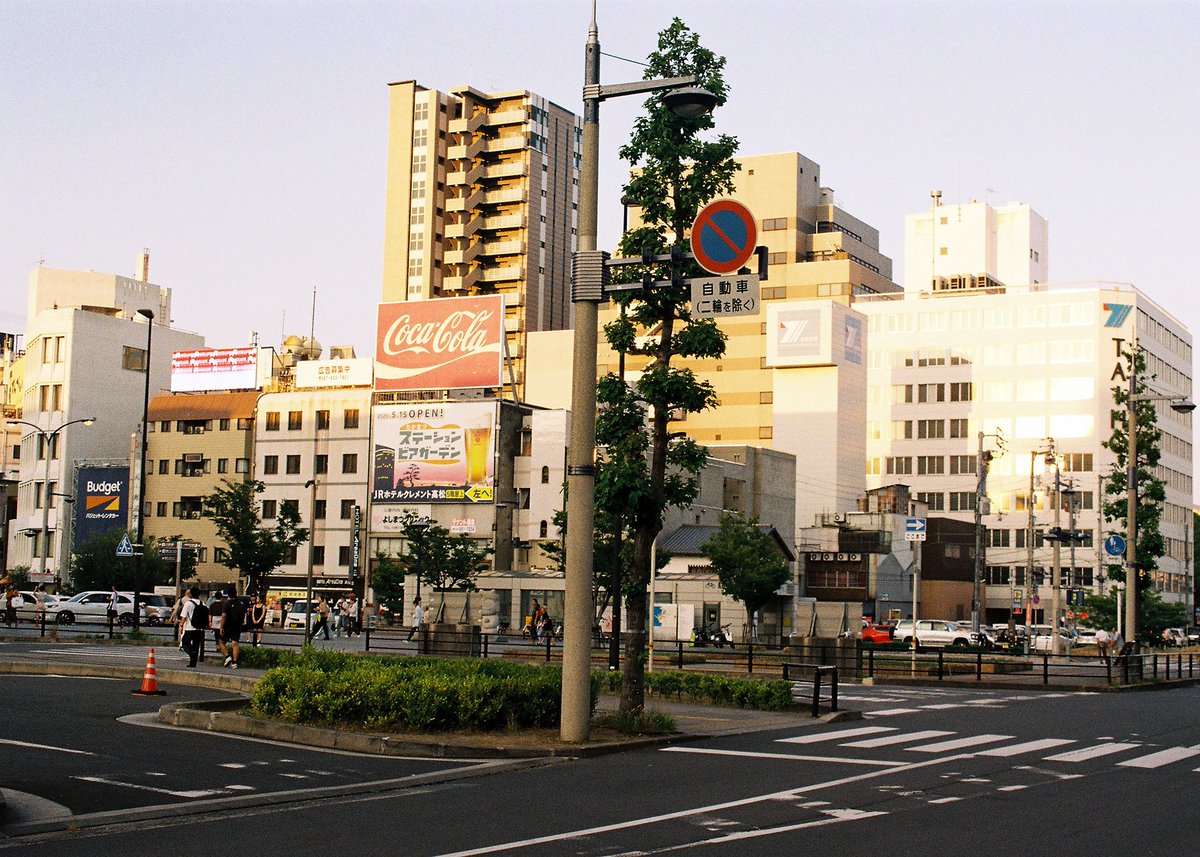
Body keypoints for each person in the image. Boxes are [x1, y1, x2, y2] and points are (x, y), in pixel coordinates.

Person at [180, 587, 209, 668]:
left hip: (190, 627)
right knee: (196, 645)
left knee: (185, 642)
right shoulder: (202, 603)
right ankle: (193, 663)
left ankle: (191, 653)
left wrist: (181, 626)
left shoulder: (188, 603)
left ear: (191, 594)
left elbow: (184, 617)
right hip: (199, 628)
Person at [221, 588, 245, 668]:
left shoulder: (227, 603)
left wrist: (222, 627)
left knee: (221, 642)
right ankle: (235, 663)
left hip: (228, 625)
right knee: (235, 643)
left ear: (228, 594)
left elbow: (224, 616)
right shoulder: (240, 603)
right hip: (237, 626)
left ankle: (228, 657)